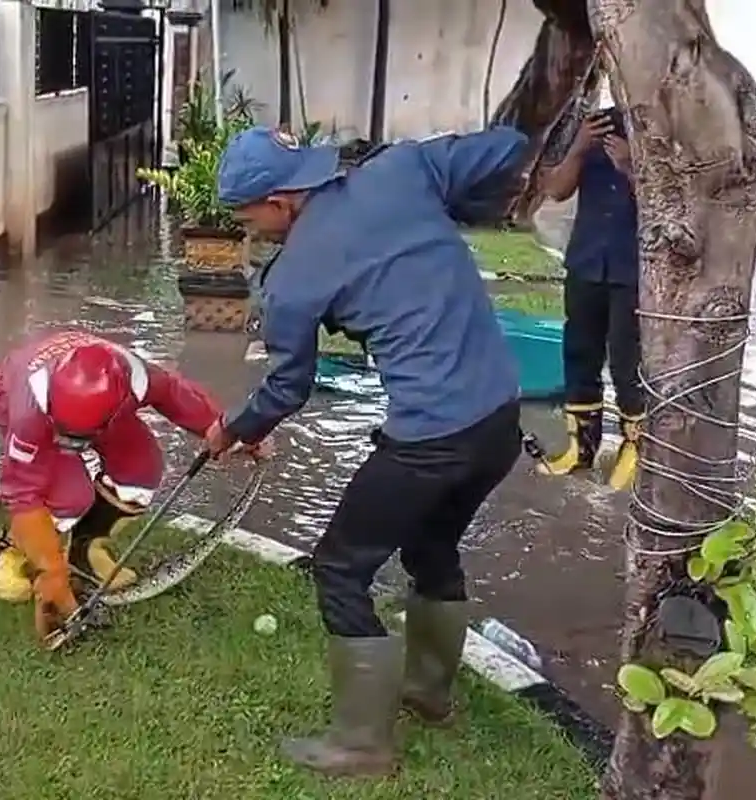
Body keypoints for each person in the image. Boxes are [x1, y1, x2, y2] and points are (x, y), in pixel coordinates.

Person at [203, 125, 528, 777]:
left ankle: (361, 746)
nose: (250, 231)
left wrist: (234, 428)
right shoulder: (402, 169)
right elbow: (511, 145)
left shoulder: (292, 278)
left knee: (341, 569)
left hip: (430, 436)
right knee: (431, 548)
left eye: (249, 217)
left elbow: (288, 386)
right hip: (499, 419)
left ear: (282, 200)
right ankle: (429, 694)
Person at [0, 328, 226, 646]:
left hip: (101, 411)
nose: (73, 446)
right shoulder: (29, 411)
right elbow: (23, 493)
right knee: (67, 498)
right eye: (69, 437)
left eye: (79, 440)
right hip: (22, 400)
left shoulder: (136, 376)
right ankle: (9, 550)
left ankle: (85, 552)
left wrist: (226, 429)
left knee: (140, 469)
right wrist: (51, 574)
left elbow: (177, 396)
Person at [537, 102, 643, 491]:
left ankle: (635, 449)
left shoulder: (660, 129)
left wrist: (632, 167)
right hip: (586, 264)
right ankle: (581, 449)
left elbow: (669, 206)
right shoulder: (594, 126)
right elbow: (556, 189)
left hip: (633, 273)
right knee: (580, 356)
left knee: (628, 363)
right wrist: (581, 147)